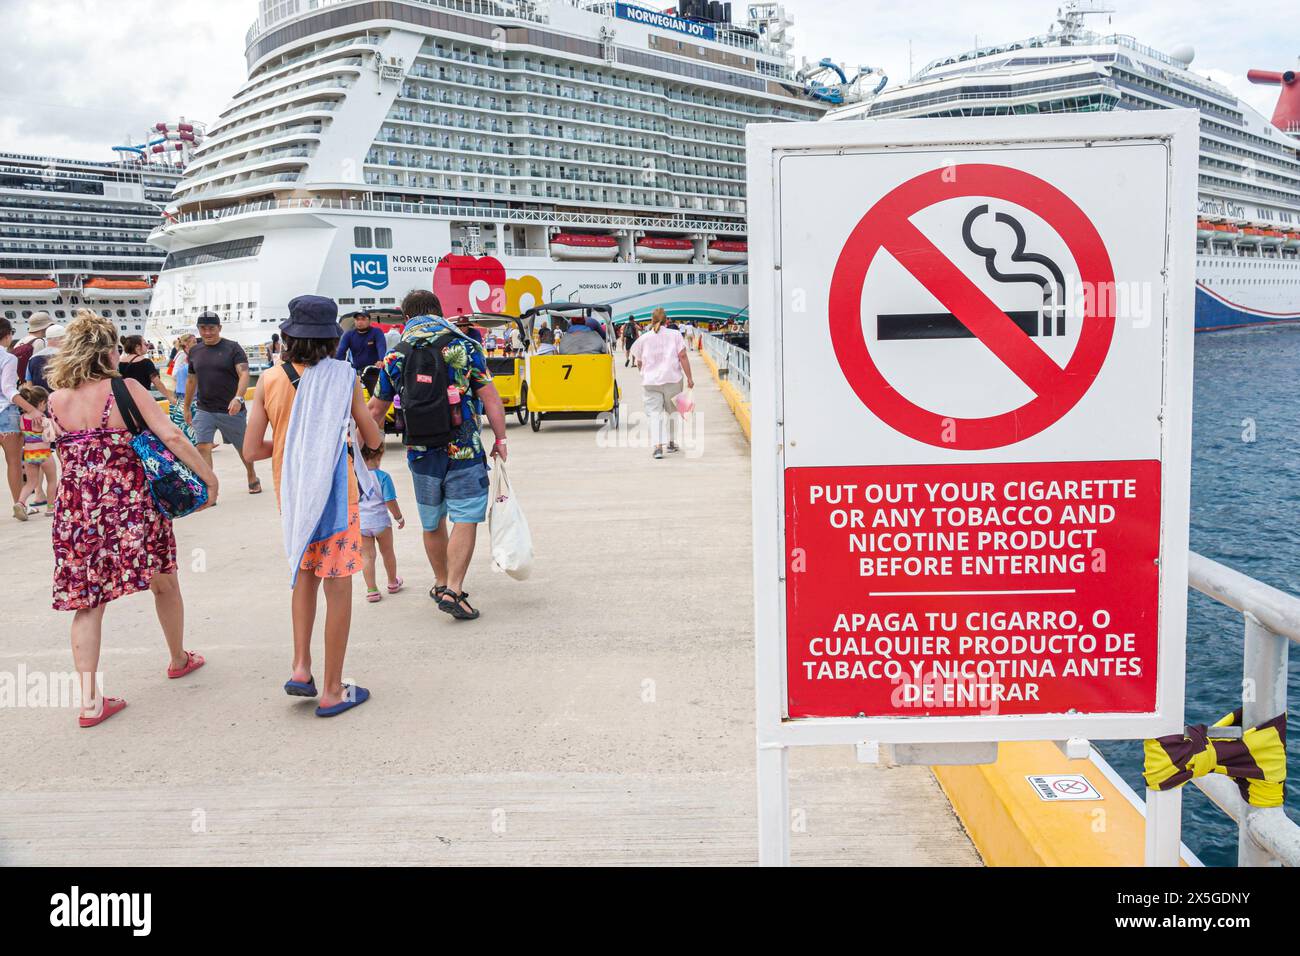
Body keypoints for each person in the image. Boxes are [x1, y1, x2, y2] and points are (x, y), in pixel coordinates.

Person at [45, 310, 217, 728]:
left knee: (88, 603)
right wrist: (208, 477)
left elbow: (62, 448)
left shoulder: (56, 399)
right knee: (163, 579)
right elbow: (172, 436)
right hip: (132, 505)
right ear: (106, 351)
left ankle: (89, 702)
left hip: (78, 511)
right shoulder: (126, 388)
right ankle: (178, 658)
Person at [244, 295, 382, 717]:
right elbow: (372, 437)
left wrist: (291, 446)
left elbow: (252, 449)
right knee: (337, 587)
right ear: (330, 338)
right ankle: (333, 690)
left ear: (288, 335)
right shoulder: (344, 376)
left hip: (294, 496)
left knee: (303, 576)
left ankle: (300, 667)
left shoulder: (268, 379)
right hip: (338, 497)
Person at [368, 289, 508, 622]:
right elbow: (491, 397)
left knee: (432, 522)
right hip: (464, 448)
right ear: (439, 312)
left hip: (420, 451)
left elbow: (375, 409)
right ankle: (455, 590)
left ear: (406, 318)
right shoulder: (464, 346)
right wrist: (501, 439)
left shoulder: (395, 354)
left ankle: (440, 581)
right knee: (465, 516)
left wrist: (359, 452)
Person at [184, 310, 262, 494]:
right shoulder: (195, 350)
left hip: (231, 409)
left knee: (244, 448)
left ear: (219, 328)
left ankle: (251, 474)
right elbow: (191, 380)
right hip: (204, 409)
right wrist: (186, 406)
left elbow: (243, 373)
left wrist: (238, 398)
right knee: (203, 446)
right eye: (203, 328)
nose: (207, 332)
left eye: (211, 328)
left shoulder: (233, 348)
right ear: (198, 329)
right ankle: (210, 489)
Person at [629, 307, 694, 460]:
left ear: (651, 321)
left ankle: (658, 447)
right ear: (667, 320)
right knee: (672, 412)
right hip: (673, 379)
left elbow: (639, 361)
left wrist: (644, 374)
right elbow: (683, 356)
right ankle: (671, 443)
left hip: (651, 382)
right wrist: (690, 378)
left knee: (654, 414)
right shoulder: (675, 334)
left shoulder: (644, 338)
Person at [1, 318, 46, 519]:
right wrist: (32, 409)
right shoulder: (8, 358)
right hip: (6, 413)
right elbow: (8, 389)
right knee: (13, 462)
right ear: (8, 335)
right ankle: (19, 504)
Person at [358, 443, 405, 603]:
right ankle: (392, 582)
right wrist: (398, 517)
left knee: (367, 557)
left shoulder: (355, 477)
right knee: (387, 552)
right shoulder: (383, 477)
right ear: (378, 457)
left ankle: (372, 590)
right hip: (381, 523)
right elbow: (390, 500)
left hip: (361, 524)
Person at [17, 384, 55, 517]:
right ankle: (50, 508)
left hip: (29, 454)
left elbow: (22, 434)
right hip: (43, 453)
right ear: (40, 403)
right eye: (45, 403)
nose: (45, 407)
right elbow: (50, 437)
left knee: (31, 483)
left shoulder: (22, 419)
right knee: (51, 480)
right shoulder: (43, 419)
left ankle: (20, 503)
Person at [118, 335, 176, 404]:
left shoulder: (120, 363)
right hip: (143, 399)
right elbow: (157, 383)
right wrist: (169, 397)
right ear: (138, 347)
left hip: (127, 399)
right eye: (145, 344)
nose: (147, 346)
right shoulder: (146, 362)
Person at [11, 311, 52, 381]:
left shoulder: (20, 341)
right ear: (45, 327)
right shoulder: (39, 342)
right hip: (32, 383)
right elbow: (39, 367)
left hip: (20, 381)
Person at [26, 323, 65, 391]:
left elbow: (29, 384)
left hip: (40, 399)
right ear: (63, 338)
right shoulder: (67, 357)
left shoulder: (32, 358)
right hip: (62, 399)